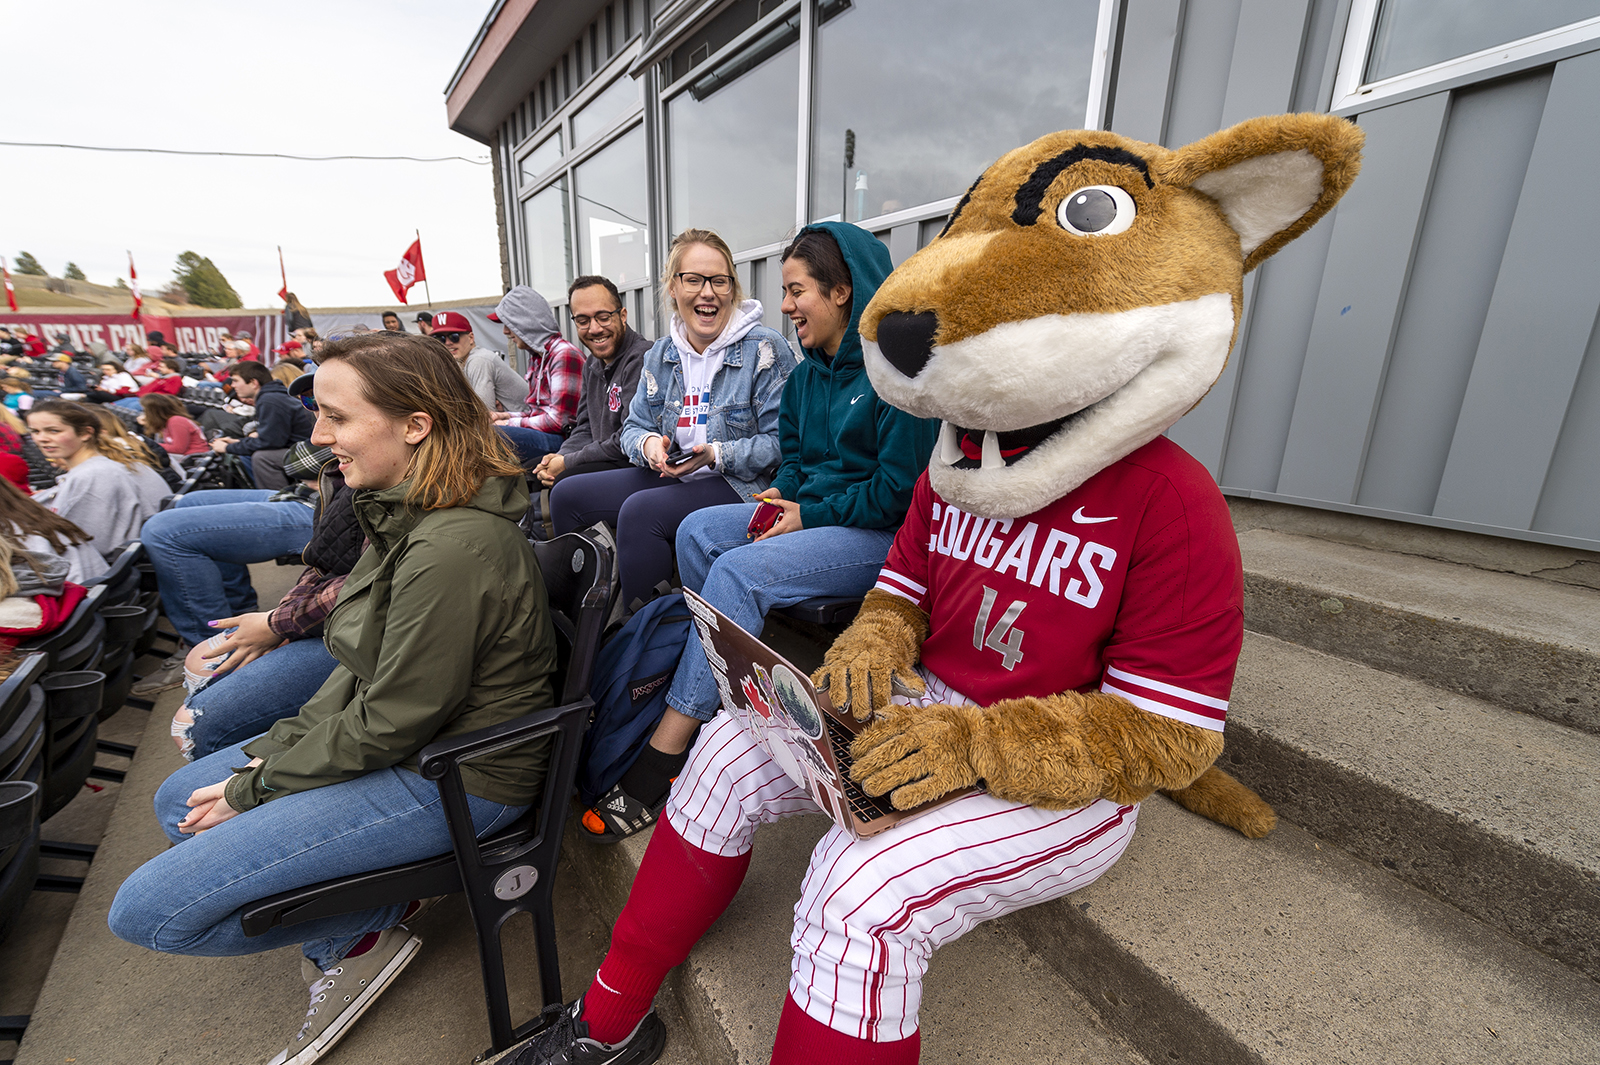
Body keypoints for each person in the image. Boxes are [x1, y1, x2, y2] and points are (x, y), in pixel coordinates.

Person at [108, 330, 557, 1065]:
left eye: (337, 417)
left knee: (148, 914)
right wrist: (275, 753)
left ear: (415, 425)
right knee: (177, 802)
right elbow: (356, 673)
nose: (317, 436)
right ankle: (365, 916)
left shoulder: (450, 545)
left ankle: (360, 932)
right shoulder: (404, 511)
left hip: (458, 775)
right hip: (413, 745)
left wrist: (257, 785)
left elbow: (393, 719)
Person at [581, 223, 938, 838]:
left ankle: (667, 750)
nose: (786, 305)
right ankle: (722, 690)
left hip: (883, 537)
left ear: (842, 292)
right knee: (697, 531)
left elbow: (899, 494)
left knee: (737, 572)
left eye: (797, 291)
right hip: (817, 516)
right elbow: (794, 464)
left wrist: (807, 514)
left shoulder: (895, 379)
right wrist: (779, 498)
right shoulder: (804, 377)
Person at [550, 228, 793, 611]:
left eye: (719, 281)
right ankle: (580, 624)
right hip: (674, 473)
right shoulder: (662, 354)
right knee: (567, 495)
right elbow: (633, 428)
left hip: (739, 482)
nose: (707, 292)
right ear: (673, 287)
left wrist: (714, 454)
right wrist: (650, 446)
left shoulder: (763, 348)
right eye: (693, 279)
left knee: (641, 513)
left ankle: (648, 637)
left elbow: (783, 443)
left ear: (732, 288)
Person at [532, 275, 649, 488]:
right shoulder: (592, 364)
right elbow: (585, 427)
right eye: (583, 321)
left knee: (566, 485)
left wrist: (567, 462)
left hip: (635, 466)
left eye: (603, 317)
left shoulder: (643, 358)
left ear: (623, 315)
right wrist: (560, 457)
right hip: (603, 459)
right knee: (530, 472)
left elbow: (628, 438)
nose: (594, 329)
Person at [26, 400, 169, 558]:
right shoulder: (94, 469)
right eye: (35, 431)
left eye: (54, 431)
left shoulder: (93, 474)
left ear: (85, 433)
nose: (41, 438)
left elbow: (89, 543)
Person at [489, 286, 583, 469]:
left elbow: (558, 421)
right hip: (547, 434)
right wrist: (504, 415)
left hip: (565, 440)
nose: (505, 331)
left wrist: (507, 423)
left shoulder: (563, 355)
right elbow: (537, 413)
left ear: (525, 322)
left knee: (490, 435)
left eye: (509, 323)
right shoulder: (538, 357)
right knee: (481, 431)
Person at [211, 360, 317, 490]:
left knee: (262, 458)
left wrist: (227, 448)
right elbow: (273, 438)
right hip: (304, 446)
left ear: (253, 383)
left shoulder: (270, 400)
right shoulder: (272, 396)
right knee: (250, 453)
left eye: (236, 380)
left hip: (314, 451)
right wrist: (238, 442)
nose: (232, 385)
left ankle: (278, 498)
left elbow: (270, 442)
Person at [0, 475, 106, 583]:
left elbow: (39, 584)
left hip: (76, 587)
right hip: (93, 584)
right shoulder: (31, 517)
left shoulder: (22, 535)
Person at [431, 311, 524, 412]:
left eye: (454, 336)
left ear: (471, 338)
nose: (448, 343)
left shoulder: (479, 360)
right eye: (440, 339)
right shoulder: (461, 362)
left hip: (528, 419)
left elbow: (485, 413)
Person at [139, 393, 208, 458]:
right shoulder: (168, 421)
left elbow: (178, 449)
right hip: (182, 456)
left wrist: (151, 445)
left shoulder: (176, 421)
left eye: (145, 410)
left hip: (192, 457)